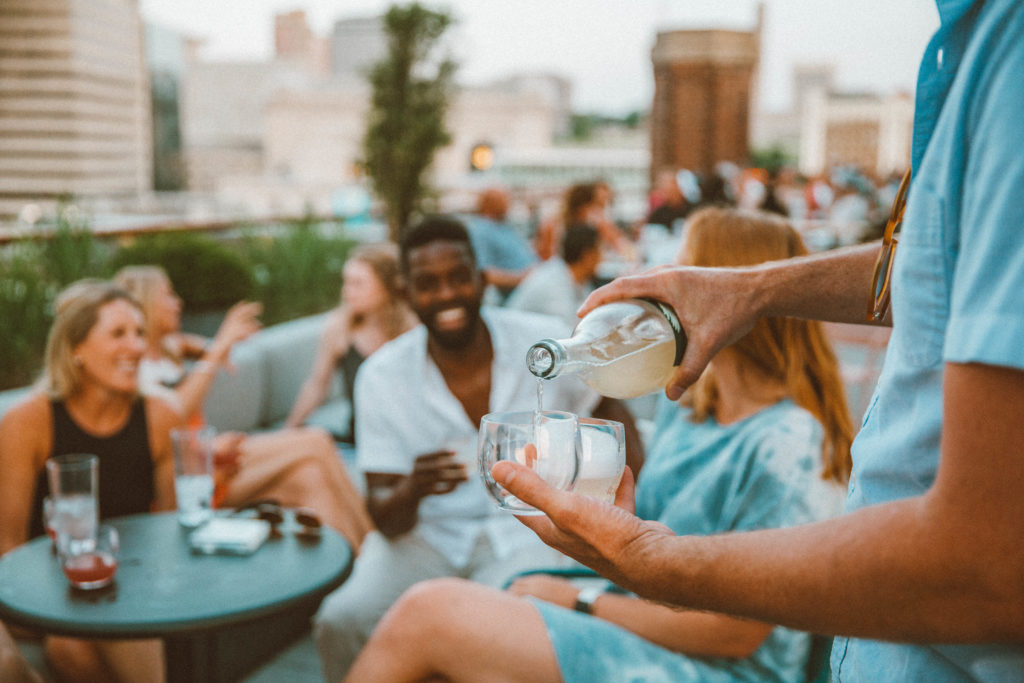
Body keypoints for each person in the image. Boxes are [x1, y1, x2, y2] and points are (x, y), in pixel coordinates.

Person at [490, 2, 1024, 679]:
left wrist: (642, 567)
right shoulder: (691, 402)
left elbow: (988, 562)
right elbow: (939, 267)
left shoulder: (1011, 47)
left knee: (442, 616)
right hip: (874, 650)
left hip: (900, 654)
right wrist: (753, 289)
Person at [344, 207, 853, 683]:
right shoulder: (690, 403)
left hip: (710, 665)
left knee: (428, 613)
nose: (661, 287)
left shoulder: (790, 441)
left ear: (736, 295)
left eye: (682, 272)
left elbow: (737, 634)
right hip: (642, 611)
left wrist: (576, 598)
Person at [311, 216, 644, 681]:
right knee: (340, 619)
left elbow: (612, 419)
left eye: (457, 277)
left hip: (525, 533)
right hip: (427, 536)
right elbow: (384, 515)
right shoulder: (382, 376)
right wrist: (413, 487)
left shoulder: (541, 342)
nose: (446, 294)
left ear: (482, 278)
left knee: (494, 627)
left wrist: (614, 512)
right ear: (407, 294)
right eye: (428, 283)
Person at [114, 266, 373, 550]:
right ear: (146, 304)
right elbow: (172, 418)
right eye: (168, 295)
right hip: (192, 477)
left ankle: (359, 563)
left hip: (208, 458)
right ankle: (374, 543)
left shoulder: (168, 348)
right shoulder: (133, 371)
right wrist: (220, 347)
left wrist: (208, 348)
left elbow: (188, 345)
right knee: (316, 441)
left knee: (310, 476)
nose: (178, 302)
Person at [0, 280, 177, 683]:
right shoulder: (28, 422)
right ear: (75, 348)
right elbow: (6, 549)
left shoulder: (160, 418)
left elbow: (169, 533)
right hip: (41, 586)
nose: (136, 347)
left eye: (138, 333)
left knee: (82, 643)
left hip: (125, 580)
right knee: (62, 646)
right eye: (118, 334)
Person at [284, 242, 419, 442]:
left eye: (358, 283)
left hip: (411, 435)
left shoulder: (413, 328)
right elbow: (317, 386)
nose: (347, 292)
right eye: (346, 282)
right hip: (363, 437)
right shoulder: (339, 328)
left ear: (387, 286)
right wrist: (286, 434)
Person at [506, 223, 602, 329]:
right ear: (587, 256)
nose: (602, 258)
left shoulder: (574, 278)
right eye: (600, 251)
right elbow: (568, 332)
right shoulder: (553, 282)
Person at [464, 187, 538, 301]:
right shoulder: (480, 231)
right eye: (504, 199)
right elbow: (485, 274)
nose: (508, 203)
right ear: (489, 204)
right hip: (516, 295)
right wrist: (522, 278)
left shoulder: (505, 225)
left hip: (532, 285)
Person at [534, 182, 634, 262]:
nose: (600, 210)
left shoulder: (593, 223)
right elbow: (545, 258)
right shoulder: (553, 225)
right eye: (598, 205)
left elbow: (623, 246)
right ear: (583, 206)